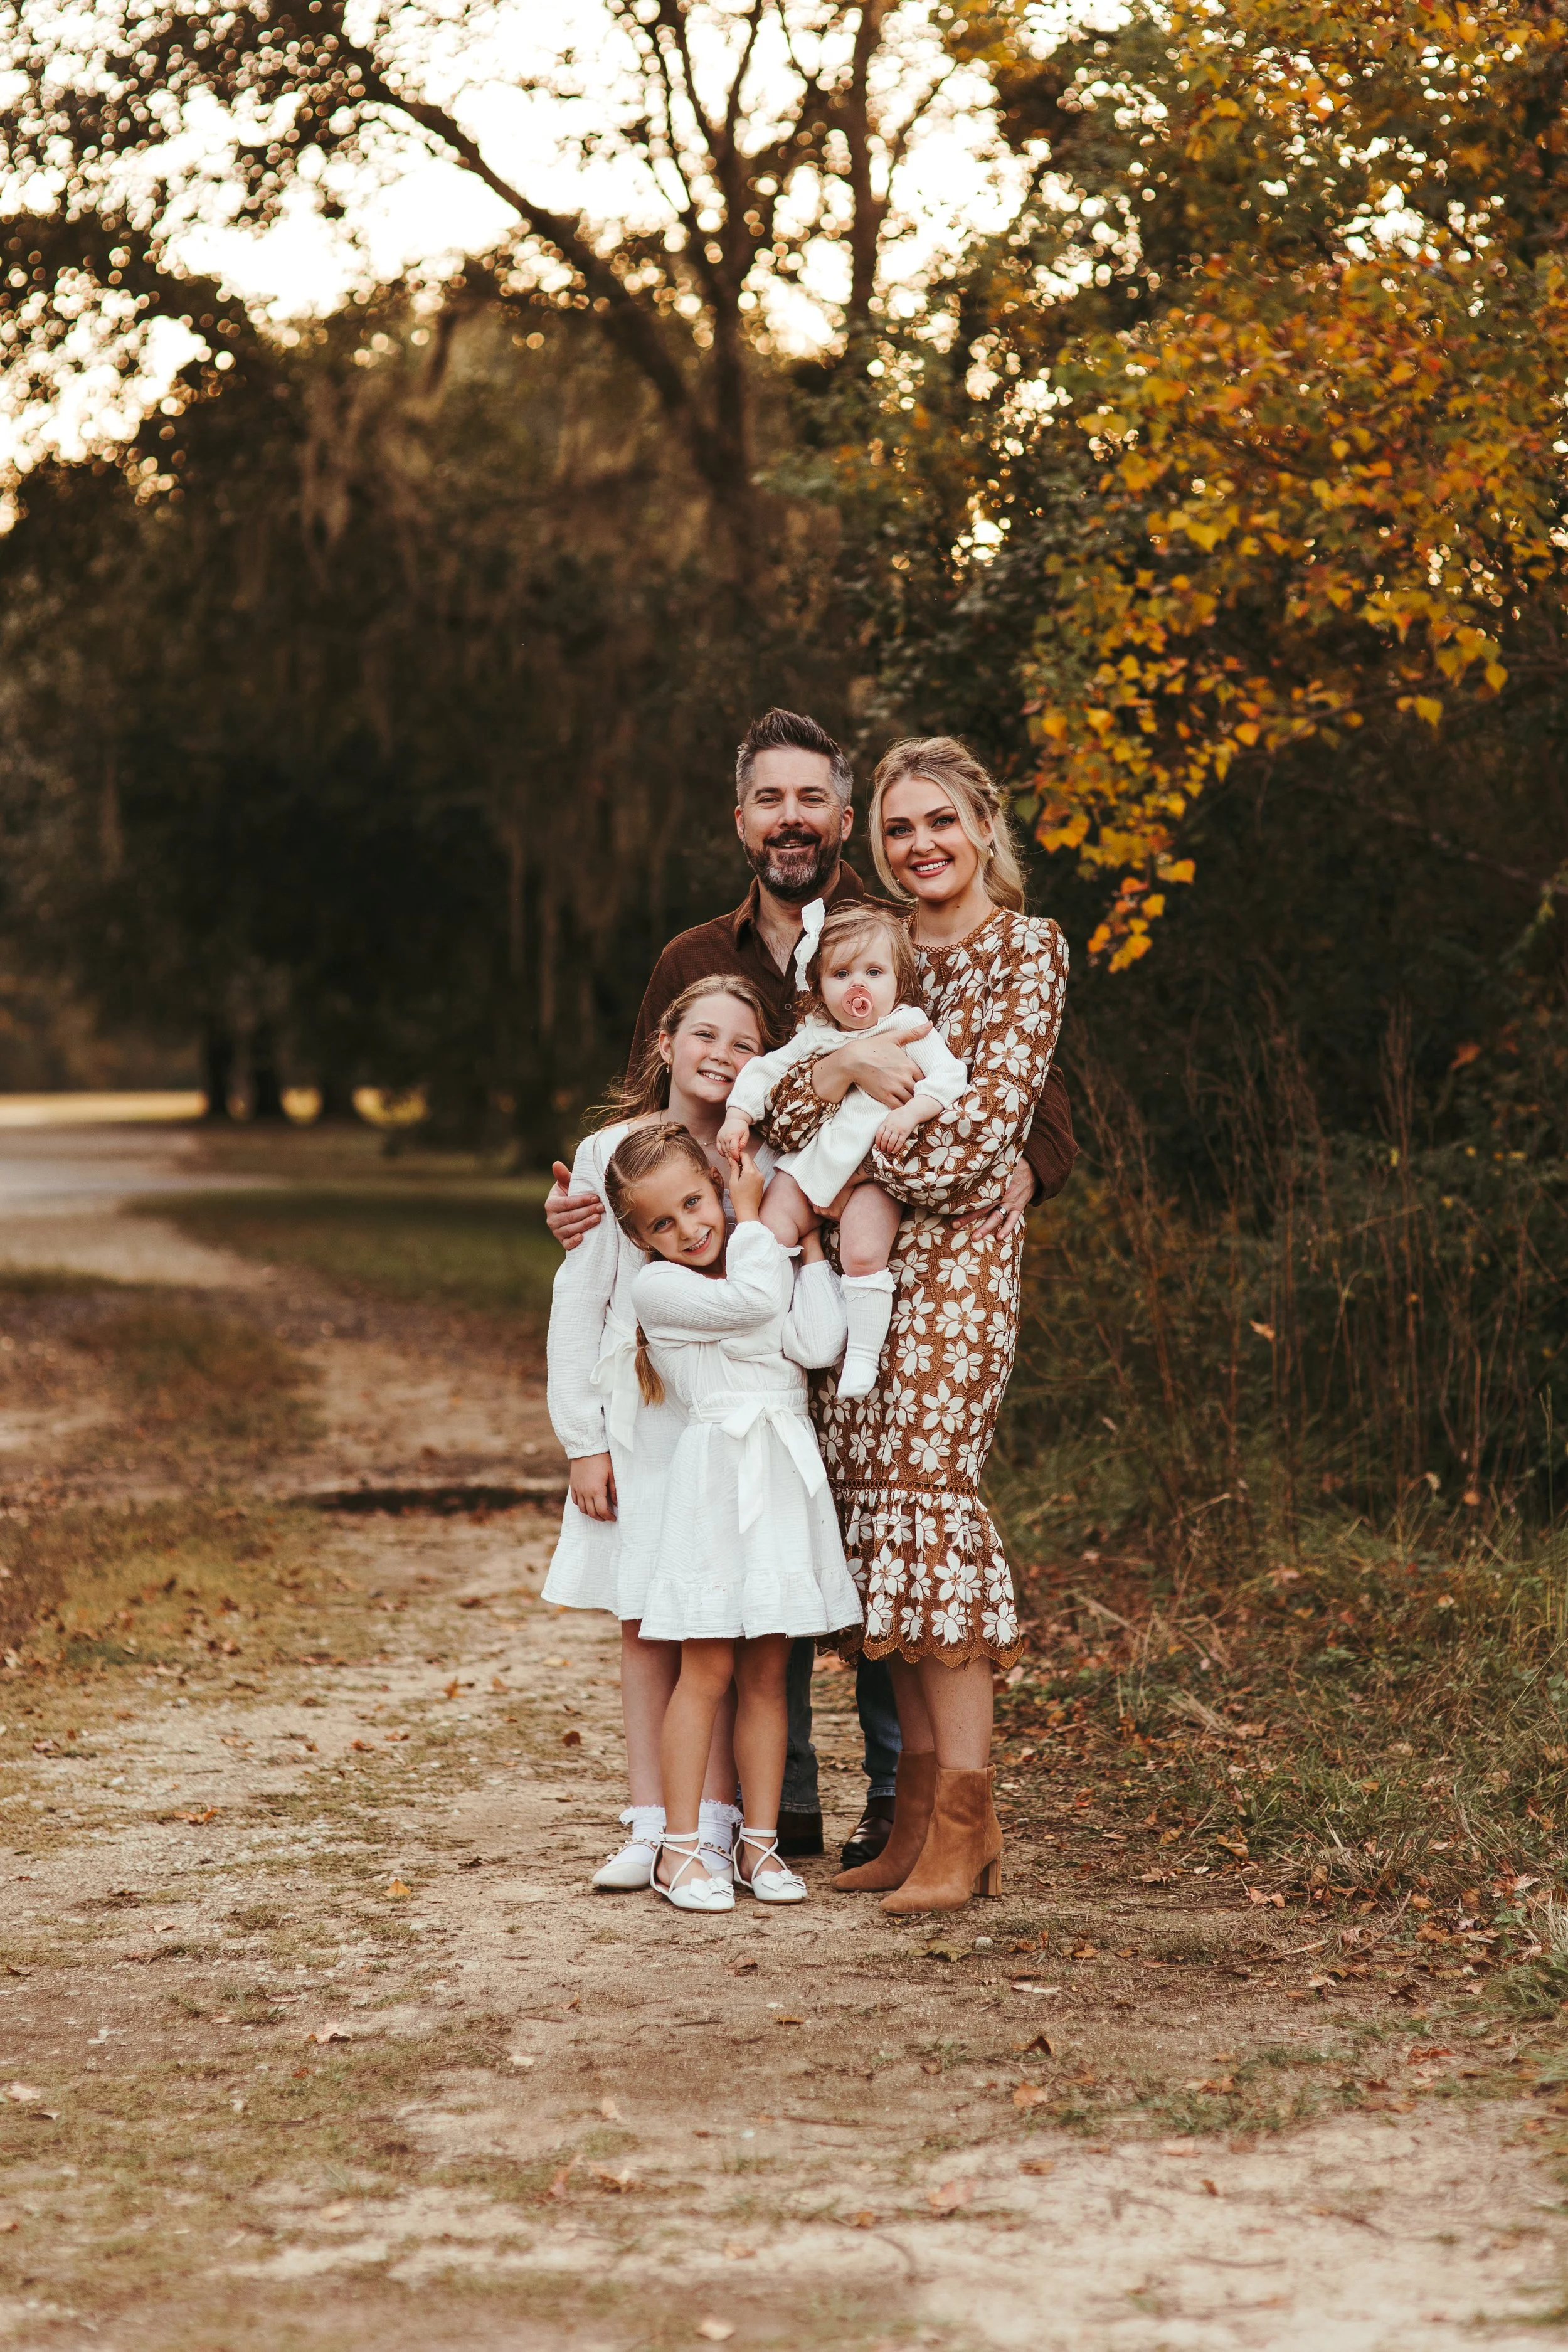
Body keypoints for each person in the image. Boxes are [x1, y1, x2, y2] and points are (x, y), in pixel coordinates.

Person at [544, 707, 1076, 1868]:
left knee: (889, 1529)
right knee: (796, 1553)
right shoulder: (704, 956)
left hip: (880, 1274)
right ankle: (763, 1823)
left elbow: (1023, 1113)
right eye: (768, 801)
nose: (794, 821)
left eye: (817, 803)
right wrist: (588, 1202)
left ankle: (914, 1807)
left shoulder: (913, 942)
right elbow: (660, 1133)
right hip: (764, 1293)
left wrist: (1019, 1165)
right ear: (743, 819)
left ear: (841, 824)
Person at [763, 736, 1067, 1912]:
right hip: (856, 1284)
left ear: (986, 827)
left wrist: (859, 1143)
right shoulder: (871, 950)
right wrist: (843, 1089)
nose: (921, 844)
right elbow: (783, 1097)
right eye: (898, 829)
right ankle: (917, 1822)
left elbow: (981, 1141)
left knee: (931, 1518)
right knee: (878, 1517)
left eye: (941, 821)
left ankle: (967, 1825)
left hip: (959, 1286)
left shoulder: (1024, 951)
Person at [541, 976, 774, 1890]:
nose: (721, 1054)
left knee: (718, 1615)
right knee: (646, 1617)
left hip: (726, 1415)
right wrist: (581, 1440)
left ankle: (713, 1822)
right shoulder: (609, 1149)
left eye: (744, 1042)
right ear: (666, 1041)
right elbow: (579, 1299)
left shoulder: (757, 1151)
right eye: (704, 1034)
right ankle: (651, 1820)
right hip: (640, 1417)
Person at [603, 1122, 860, 1911]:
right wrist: (757, 1221)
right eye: (661, 1224)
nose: (687, 1229)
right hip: (717, 1480)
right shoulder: (661, 1290)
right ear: (639, 1239)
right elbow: (756, 1303)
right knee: (706, 1667)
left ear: (712, 1183)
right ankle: (679, 1850)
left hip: (779, 1480)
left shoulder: (758, 1266)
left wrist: (809, 1250)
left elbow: (818, 1342)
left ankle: (758, 1845)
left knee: (767, 1677)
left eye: (693, 1203)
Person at [719, 901, 970, 1398]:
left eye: (874, 972)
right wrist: (738, 1114)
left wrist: (909, 1112)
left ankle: (861, 1356)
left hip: (870, 1173)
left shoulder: (909, 1028)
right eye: (841, 973)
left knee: (863, 1252)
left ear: (898, 981)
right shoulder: (816, 1034)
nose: (858, 986)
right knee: (771, 1229)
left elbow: (951, 1078)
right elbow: (765, 1072)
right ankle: (767, 1326)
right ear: (818, 985)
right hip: (810, 1164)